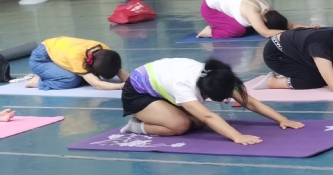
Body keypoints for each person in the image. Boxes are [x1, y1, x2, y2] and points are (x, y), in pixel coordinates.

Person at [120, 57, 303, 145]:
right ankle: (135, 126)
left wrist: (282, 119)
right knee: (181, 125)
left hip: (162, 88)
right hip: (137, 94)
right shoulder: (184, 86)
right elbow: (209, 116)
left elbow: (250, 102)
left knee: (197, 122)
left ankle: (158, 114)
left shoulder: (218, 76)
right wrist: (237, 136)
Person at [197, 0, 317, 39]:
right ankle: (210, 32)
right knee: (238, 30)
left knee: (251, 28)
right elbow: (266, 33)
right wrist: (291, 34)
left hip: (222, 2)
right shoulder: (253, 12)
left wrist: (307, 27)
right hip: (210, 8)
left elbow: (289, 25)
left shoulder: (269, 10)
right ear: (264, 20)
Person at [25, 37, 128, 91]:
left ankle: (50, 72)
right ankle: (37, 82)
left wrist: (133, 82)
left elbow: (119, 71)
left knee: (84, 78)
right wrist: (120, 86)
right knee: (71, 80)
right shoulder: (77, 57)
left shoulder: (105, 51)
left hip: (58, 53)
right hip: (41, 59)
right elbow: (97, 84)